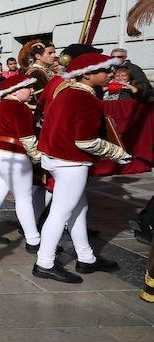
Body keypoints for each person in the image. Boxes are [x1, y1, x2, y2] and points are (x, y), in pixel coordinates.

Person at [33, 52, 131, 283]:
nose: (110, 74)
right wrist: (119, 153)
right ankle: (44, 263)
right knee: (60, 213)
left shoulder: (65, 92)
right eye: (105, 70)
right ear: (87, 75)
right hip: (70, 162)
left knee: (78, 209)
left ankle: (86, 258)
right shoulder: (86, 99)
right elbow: (85, 141)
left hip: (57, 158)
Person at [0, 74, 43, 249]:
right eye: (28, 87)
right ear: (15, 90)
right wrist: (39, 159)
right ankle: (33, 240)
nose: (32, 91)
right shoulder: (19, 107)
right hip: (12, 155)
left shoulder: (1, 105)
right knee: (24, 198)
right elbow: (28, 139)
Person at [19, 39, 56, 109]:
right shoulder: (35, 73)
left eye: (54, 52)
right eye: (50, 53)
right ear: (38, 56)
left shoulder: (47, 71)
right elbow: (42, 98)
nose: (54, 55)